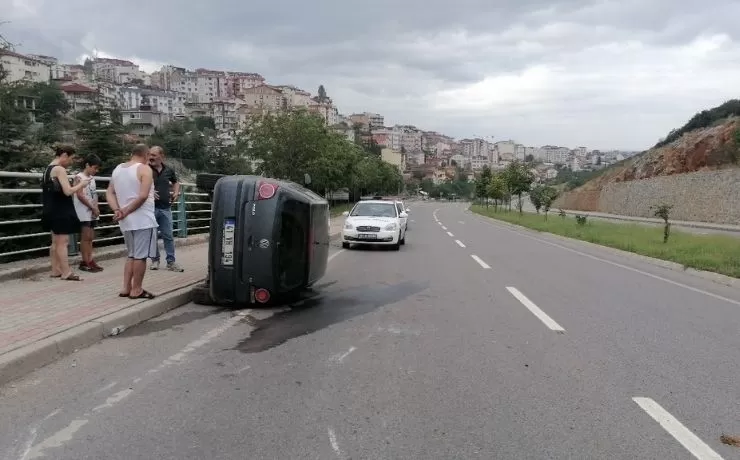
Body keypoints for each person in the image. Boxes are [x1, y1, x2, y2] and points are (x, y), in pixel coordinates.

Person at [106, 144, 158, 299]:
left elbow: (109, 192)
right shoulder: (144, 169)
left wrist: (117, 210)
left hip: (126, 221)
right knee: (140, 256)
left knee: (131, 255)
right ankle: (137, 290)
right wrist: (126, 211)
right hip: (143, 219)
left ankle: (126, 288)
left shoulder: (118, 169)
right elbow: (142, 196)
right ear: (146, 154)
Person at [41, 144, 90, 281]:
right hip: (60, 210)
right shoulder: (59, 169)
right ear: (64, 155)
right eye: (71, 158)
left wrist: (73, 184)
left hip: (50, 208)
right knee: (63, 241)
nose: (71, 162)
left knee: (55, 242)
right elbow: (67, 191)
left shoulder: (48, 169)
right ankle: (66, 272)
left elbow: (58, 189)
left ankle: (55, 270)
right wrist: (82, 184)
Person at [148, 146, 184, 272]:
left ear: (162, 157)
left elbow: (176, 182)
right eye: (149, 154)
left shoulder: (168, 170)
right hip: (150, 209)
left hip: (165, 208)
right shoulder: (145, 169)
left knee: (168, 236)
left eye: (153, 155)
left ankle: (171, 262)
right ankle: (155, 260)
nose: (151, 157)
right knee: (152, 236)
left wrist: (176, 192)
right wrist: (149, 192)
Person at [73, 154, 103, 272]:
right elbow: (80, 195)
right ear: (87, 165)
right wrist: (92, 207)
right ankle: (84, 261)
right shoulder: (79, 177)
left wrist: (96, 207)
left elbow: (94, 194)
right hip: (83, 211)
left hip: (91, 211)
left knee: (90, 237)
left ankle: (90, 260)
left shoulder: (92, 179)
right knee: (85, 237)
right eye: (94, 168)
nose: (96, 170)